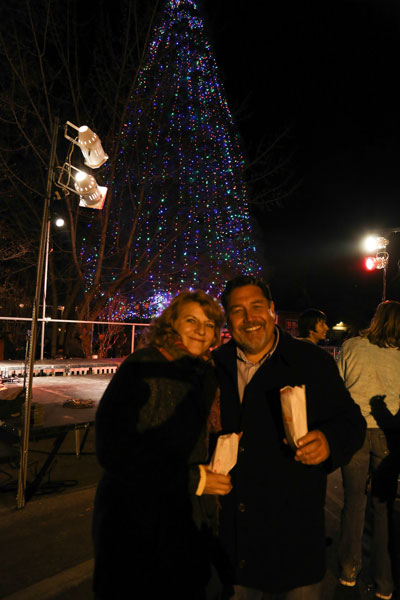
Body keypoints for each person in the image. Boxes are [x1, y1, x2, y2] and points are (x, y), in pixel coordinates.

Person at [212, 275, 366, 599]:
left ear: (271, 311)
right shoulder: (213, 367)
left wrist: (328, 441)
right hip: (235, 543)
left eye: (256, 307)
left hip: (295, 540)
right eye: (237, 310)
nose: (249, 318)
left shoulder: (311, 361)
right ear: (228, 318)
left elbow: (351, 422)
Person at [92, 290, 232, 600]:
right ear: (172, 324)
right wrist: (196, 479)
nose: (201, 329)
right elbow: (112, 449)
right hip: (135, 520)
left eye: (209, 323)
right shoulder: (145, 365)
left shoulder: (202, 370)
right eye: (191, 320)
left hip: (182, 515)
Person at [337, 301, 400, 600]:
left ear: (375, 319)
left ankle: (348, 571)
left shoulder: (351, 346)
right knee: (383, 507)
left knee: (353, 503)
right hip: (389, 434)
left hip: (355, 430)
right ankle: (385, 582)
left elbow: (338, 386)